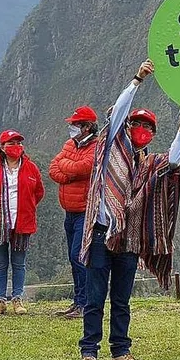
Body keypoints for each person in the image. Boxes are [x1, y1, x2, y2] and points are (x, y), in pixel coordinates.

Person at [77, 60, 180, 360]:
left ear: (153, 134)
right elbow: (117, 112)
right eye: (137, 124)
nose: (142, 130)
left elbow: (174, 161)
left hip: (129, 239)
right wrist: (137, 80)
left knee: (121, 299)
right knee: (94, 296)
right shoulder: (110, 149)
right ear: (128, 127)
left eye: (148, 127)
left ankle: (121, 352)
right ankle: (89, 352)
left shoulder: (149, 164)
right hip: (102, 231)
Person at [0, 129, 45, 316]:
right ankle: (0, 300)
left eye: (18, 143)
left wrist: (25, 208)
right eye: (11, 143)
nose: (16, 147)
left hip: (22, 223)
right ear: (2, 147)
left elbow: (38, 192)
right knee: (0, 264)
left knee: (19, 263)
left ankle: (17, 299)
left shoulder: (31, 168)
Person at [49, 105, 99, 319]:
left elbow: (84, 168)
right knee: (73, 258)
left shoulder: (96, 147)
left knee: (79, 256)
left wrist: (67, 167)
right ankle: (78, 301)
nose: (72, 128)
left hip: (85, 211)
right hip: (69, 211)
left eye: (76, 124)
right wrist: (68, 174)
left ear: (87, 127)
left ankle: (85, 303)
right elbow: (53, 168)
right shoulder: (70, 144)